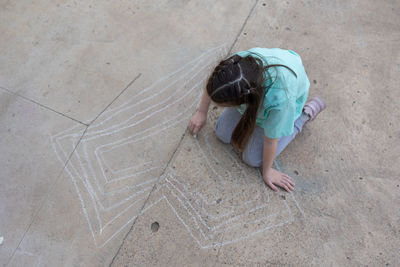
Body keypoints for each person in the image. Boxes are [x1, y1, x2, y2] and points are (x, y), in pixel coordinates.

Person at [188, 47, 325, 192]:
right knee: (222, 133)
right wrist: (201, 112)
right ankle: (253, 118)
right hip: (257, 92)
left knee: (252, 159)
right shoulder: (234, 66)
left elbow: (271, 140)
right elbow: (213, 85)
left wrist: (267, 171)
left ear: (240, 101)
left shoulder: (279, 102)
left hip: (285, 97)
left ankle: (304, 115)